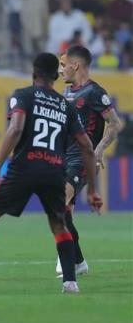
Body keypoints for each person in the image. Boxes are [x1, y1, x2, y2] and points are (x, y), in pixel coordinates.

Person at [0, 53, 103, 295]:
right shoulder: (66, 106)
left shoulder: (23, 95)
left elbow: (16, 128)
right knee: (60, 225)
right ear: (54, 77)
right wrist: (92, 189)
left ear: (33, 73)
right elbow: (88, 148)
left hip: (24, 168)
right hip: (54, 171)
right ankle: (70, 283)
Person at [55, 46, 123, 278]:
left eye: (63, 64)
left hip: (82, 159)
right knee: (63, 211)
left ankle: (65, 258)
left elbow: (115, 123)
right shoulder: (67, 93)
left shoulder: (95, 92)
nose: (60, 69)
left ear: (76, 65)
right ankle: (78, 260)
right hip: (63, 157)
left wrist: (100, 149)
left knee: (59, 200)